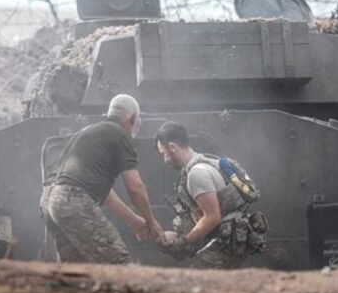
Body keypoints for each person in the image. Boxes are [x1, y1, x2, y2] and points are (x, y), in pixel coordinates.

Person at [42, 94, 164, 264]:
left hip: (50, 200)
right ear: (133, 117)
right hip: (72, 199)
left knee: (76, 270)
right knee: (118, 263)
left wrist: (134, 220)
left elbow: (103, 193)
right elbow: (135, 187)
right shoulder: (120, 135)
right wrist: (152, 222)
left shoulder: (89, 132)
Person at [155, 121, 267, 269]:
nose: (165, 160)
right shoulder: (206, 163)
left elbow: (212, 217)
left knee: (196, 282)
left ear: (172, 147)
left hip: (224, 245)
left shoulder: (197, 173)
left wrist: (184, 241)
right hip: (229, 241)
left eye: (164, 154)